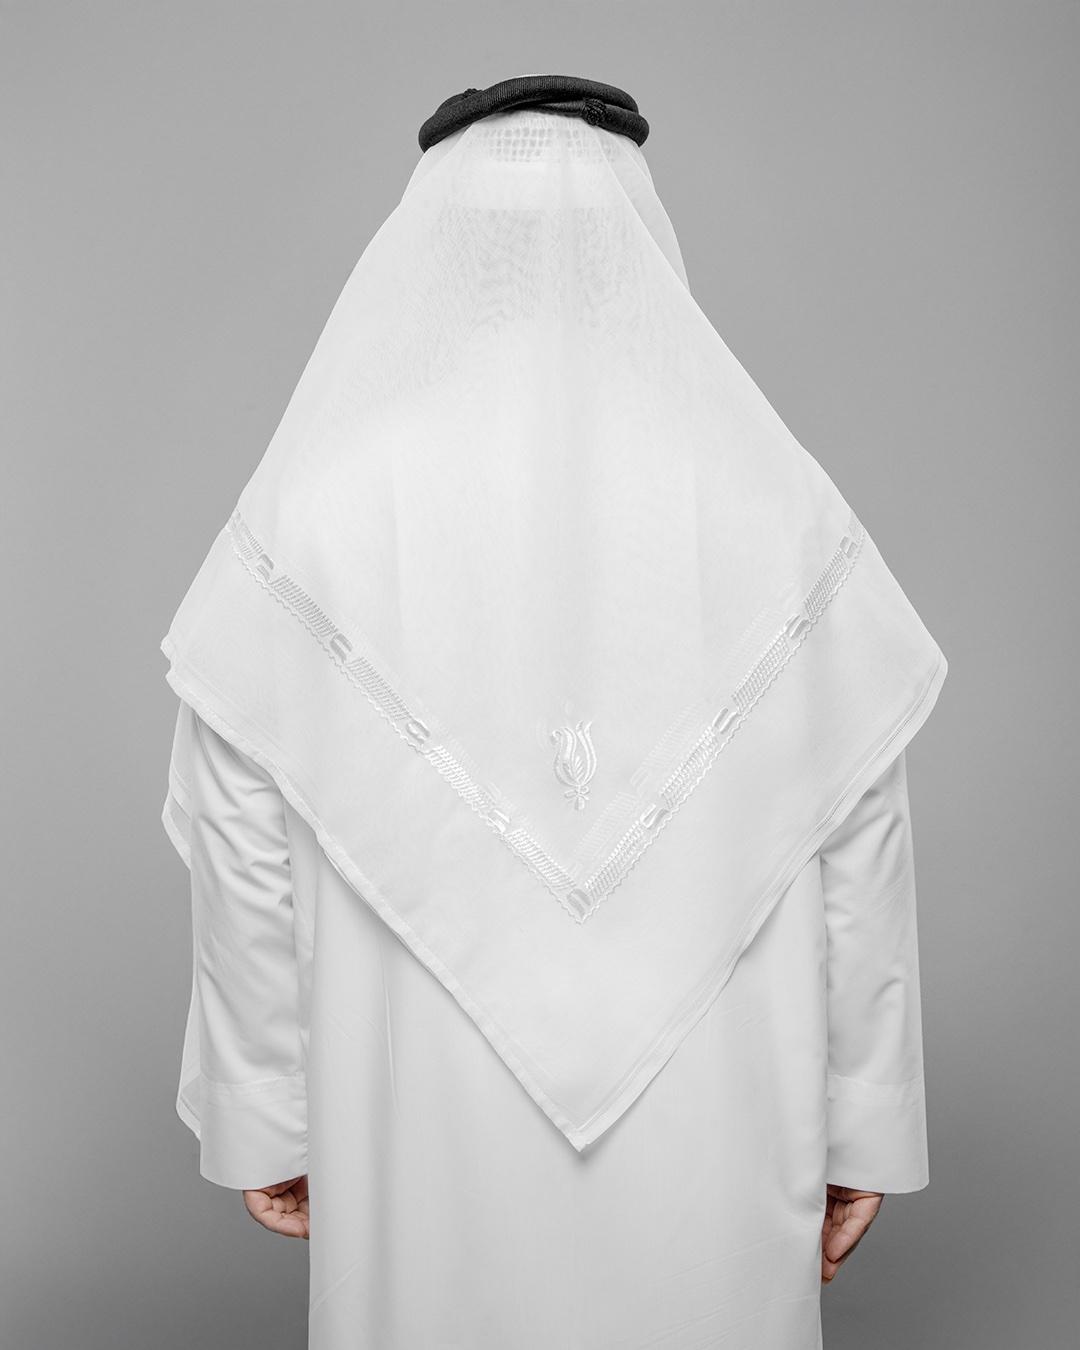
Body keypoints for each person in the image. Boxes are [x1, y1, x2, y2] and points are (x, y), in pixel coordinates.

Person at [161, 75, 947, 1350]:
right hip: (717, 1117)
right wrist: (864, 1120)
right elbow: (859, 821)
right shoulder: (766, 505)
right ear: (633, 246)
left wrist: (269, 1113)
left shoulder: (324, 508)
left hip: (420, 1116)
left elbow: (236, 818)